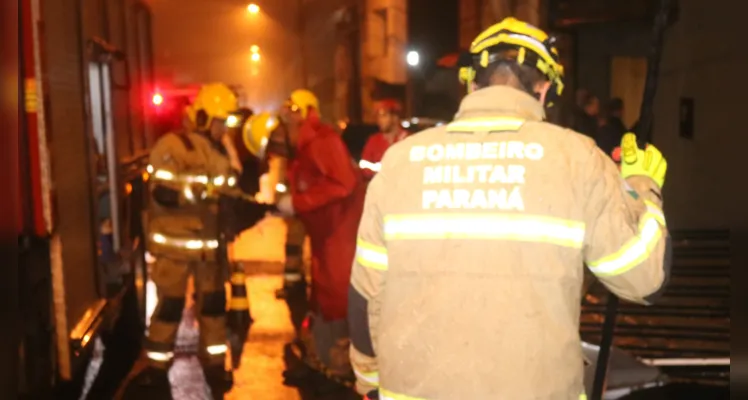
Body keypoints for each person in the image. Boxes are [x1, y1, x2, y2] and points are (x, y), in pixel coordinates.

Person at [348, 17, 671, 399]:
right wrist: (641, 187)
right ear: (545, 89)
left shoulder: (399, 161)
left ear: (469, 83)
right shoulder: (578, 160)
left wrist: (369, 383)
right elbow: (644, 276)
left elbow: (365, 296)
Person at [137, 83, 267, 398]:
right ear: (203, 117)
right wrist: (202, 192)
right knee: (170, 306)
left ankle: (214, 364)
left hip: (209, 248)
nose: (223, 129)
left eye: (226, 123)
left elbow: (231, 192)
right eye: (220, 122)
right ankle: (156, 369)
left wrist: (258, 205)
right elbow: (162, 191)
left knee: (213, 307)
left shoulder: (219, 152)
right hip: (175, 246)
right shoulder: (173, 146)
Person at [275, 88, 366, 393]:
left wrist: (298, 202)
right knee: (328, 300)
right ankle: (334, 363)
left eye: (289, 119)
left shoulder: (321, 142)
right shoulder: (308, 146)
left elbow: (342, 183)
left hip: (340, 237)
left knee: (338, 300)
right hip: (329, 238)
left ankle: (343, 371)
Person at [359, 99, 409, 181]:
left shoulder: (407, 139)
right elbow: (364, 166)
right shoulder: (373, 141)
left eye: (383, 115)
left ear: (395, 117)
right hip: (380, 187)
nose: (379, 120)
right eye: (378, 116)